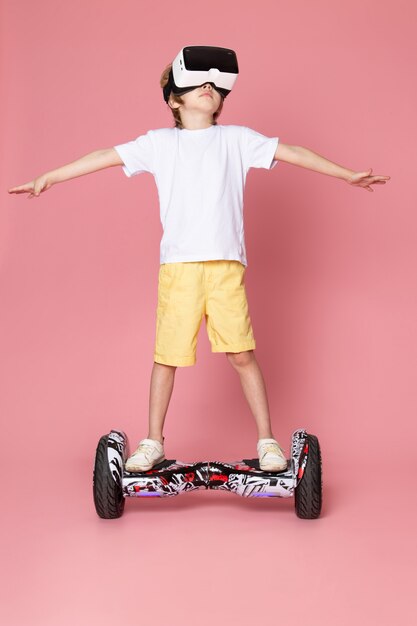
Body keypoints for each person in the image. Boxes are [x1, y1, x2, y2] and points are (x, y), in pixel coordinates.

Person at [8, 52, 390, 474]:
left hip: (226, 269)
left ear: (221, 100)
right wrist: (49, 177)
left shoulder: (237, 140)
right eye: (196, 84)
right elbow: (103, 155)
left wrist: (346, 174)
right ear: (174, 100)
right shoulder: (158, 143)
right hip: (179, 270)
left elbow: (293, 150)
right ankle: (153, 441)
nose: (208, 86)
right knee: (166, 356)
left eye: (214, 85)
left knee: (242, 354)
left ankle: (267, 441)